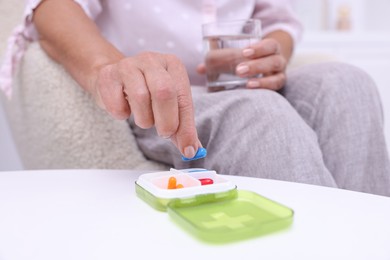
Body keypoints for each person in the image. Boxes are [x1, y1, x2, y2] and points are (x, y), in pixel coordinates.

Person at [1, 0, 389, 196]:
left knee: (347, 83)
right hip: (152, 100)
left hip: (236, 85)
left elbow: (277, 21)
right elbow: (50, 8)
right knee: (259, 114)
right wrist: (112, 68)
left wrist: (270, 56)